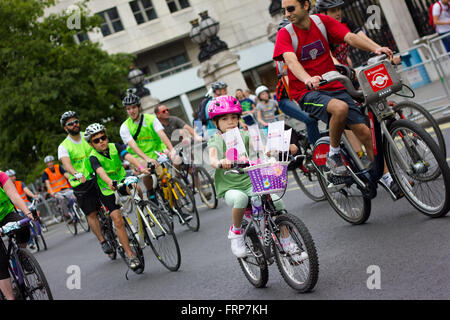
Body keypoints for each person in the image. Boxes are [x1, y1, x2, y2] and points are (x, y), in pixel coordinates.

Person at [274, 0, 393, 178]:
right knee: (339, 108)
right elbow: (291, 61)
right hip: (307, 92)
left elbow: (350, 37)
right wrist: (308, 79)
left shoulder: (322, 22)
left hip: (334, 86)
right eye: (284, 10)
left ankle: (387, 176)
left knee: (364, 132)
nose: (287, 14)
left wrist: (376, 48)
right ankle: (334, 153)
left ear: (305, 5)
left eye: (290, 9)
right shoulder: (285, 34)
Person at [207, 95, 306, 263]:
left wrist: (280, 147)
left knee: (277, 202)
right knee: (240, 198)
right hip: (231, 186)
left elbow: (262, 149)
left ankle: (287, 242)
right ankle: (236, 232)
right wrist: (220, 162)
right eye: (224, 119)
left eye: (234, 117)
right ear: (216, 123)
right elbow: (212, 158)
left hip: (252, 181)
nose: (230, 122)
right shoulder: (215, 139)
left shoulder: (245, 135)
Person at [85, 123, 150, 270]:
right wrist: (109, 182)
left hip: (122, 180)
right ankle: (130, 255)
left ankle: (145, 213)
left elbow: (128, 156)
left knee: (137, 187)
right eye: (96, 140)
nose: (101, 141)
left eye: (103, 137)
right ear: (91, 144)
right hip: (107, 189)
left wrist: (140, 168)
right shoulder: (93, 157)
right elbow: (100, 171)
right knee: (118, 220)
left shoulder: (115, 146)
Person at [58, 111, 112, 255]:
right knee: (91, 213)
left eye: (76, 121)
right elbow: (66, 164)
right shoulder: (64, 146)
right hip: (81, 183)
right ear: (65, 128)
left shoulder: (88, 137)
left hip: (98, 176)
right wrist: (76, 174)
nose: (74, 124)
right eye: (70, 123)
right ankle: (102, 241)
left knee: (112, 205)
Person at [119, 89, 176, 199]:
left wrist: (171, 149)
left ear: (139, 107)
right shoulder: (124, 127)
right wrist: (147, 159)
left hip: (156, 152)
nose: (131, 111)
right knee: (147, 169)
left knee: (166, 176)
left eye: (134, 107)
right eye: (128, 109)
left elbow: (161, 134)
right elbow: (133, 146)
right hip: (138, 157)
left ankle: (174, 202)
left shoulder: (151, 119)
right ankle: (151, 194)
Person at [0, 170, 34, 300]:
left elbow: (14, 195)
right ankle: (10, 298)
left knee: (23, 225)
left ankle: (21, 255)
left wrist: (27, 212)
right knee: (0, 261)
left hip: (6, 214)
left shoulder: (1, 175)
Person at [42, 155, 74, 221]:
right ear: (46, 164)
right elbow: (47, 184)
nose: (50, 163)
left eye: (51, 162)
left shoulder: (58, 167)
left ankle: (75, 211)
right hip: (56, 191)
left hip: (65, 188)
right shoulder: (45, 173)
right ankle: (66, 215)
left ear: (53, 162)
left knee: (74, 196)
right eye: (48, 162)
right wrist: (51, 192)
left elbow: (65, 175)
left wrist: (73, 178)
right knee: (61, 199)